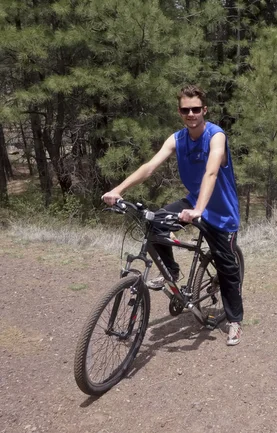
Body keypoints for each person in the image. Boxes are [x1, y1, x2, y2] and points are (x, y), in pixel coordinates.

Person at [101, 84, 244, 346]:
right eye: (185, 110)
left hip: (221, 211)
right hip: (193, 202)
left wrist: (199, 210)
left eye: (196, 109)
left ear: (205, 110)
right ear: (179, 112)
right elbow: (149, 166)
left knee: (227, 268)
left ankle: (234, 320)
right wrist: (118, 189)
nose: (191, 114)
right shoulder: (176, 139)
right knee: (154, 224)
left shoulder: (216, 136)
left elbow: (211, 173)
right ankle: (173, 272)